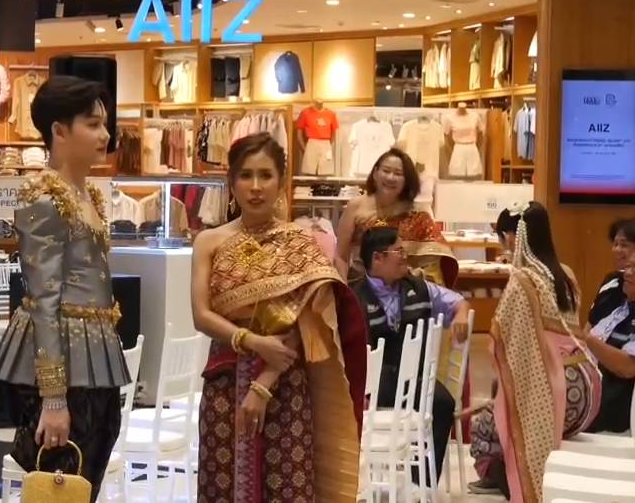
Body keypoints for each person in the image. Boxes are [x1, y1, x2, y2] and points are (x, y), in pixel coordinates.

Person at [191, 133, 367, 502]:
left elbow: (309, 320)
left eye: (266, 175)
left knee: (287, 484)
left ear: (280, 181)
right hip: (224, 381)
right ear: (231, 182)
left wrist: (263, 384)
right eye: (246, 175)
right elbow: (201, 315)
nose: (255, 187)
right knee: (222, 484)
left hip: (285, 383)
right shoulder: (209, 241)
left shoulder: (300, 243)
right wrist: (253, 341)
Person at [0, 76, 130, 502]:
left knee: (86, 476)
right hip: (63, 364)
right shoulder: (45, 198)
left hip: (92, 356)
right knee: (60, 481)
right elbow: (44, 301)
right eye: (93, 124)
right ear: (59, 131)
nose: (105, 135)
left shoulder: (84, 194)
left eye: (104, 124)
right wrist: (53, 399)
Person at [469, 202, 602, 501]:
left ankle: (519, 488)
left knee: (488, 427)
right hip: (585, 386)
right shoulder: (565, 274)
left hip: (552, 386)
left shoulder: (523, 280)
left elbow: (501, 337)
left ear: (514, 236)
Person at [354, 226, 471, 487]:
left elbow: (457, 301)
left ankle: (423, 486)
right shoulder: (354, 297)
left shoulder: (418, 288)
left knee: (442, 403)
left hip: (415, 381)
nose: (405, 256)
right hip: (375, 385)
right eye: (398, 251)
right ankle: (367, 485)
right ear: (377, 258)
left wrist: (461, 314)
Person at [335, 148, 458, 287]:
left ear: (407, 180)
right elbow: (341, 256)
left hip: (405, 290)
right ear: (375, 173)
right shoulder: (356, 206)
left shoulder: (417, 213)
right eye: (386, 171)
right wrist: (344, 290)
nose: (390, 177)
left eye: (398, 173)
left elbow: (434, 261)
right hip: (360, 286)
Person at [577, 220, 635, 432]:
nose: (627, 272)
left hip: (613, 397)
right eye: (615, 244)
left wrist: (588, 341)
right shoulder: (613, 285)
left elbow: (627, 367)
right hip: (589, 376)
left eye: (624, 245)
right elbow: (587, 329)